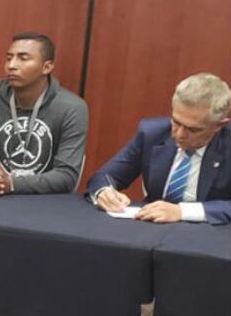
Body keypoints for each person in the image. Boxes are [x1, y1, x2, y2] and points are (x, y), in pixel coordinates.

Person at [86, 72, 231, 224]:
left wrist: (181, 212)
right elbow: (105, 176)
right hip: (153, 229)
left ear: (219, 125)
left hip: (209, 233)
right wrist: (104, 192)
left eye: (193, 129)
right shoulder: (152, 133)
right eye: (176, 122)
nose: (179, 134)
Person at [0, 33, 89, 194]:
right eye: (9, 58)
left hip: (45, 201)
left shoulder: (72, 108)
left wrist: (12, 183)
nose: (11, 65)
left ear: (47, 67)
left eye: (23, 58)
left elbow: (66, 176)